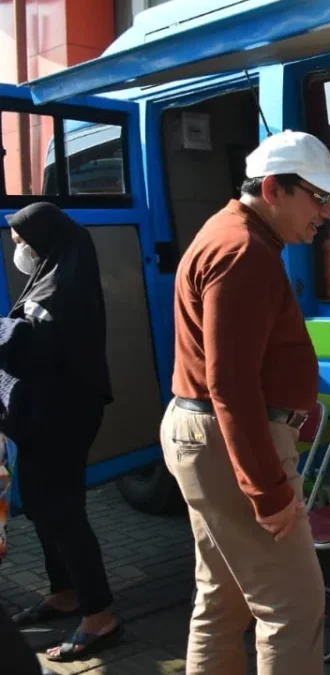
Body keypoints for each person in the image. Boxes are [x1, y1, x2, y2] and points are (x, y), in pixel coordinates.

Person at [160, 130, 330, 675]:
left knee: (221, 601)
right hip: (231, 446)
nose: (327, 212)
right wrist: (267, 490)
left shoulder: (232, 235)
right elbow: (231, 383)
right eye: (319, 197)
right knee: (294, 607)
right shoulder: (244, 250)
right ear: (273, 188)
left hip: (205, 437)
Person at [1, 203, 119, 662]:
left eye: (22, 243)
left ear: (44, 241)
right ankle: (66, 591)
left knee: (64, 513)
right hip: (43, 415)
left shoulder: (62, 287)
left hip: (63, 415)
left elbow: (33, 350)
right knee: (41, 505)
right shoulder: (50, 275)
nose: (19, 251)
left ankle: (100, 612)